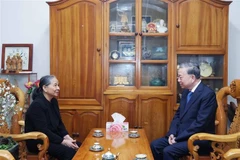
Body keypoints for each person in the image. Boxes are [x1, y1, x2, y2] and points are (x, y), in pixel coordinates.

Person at [150, 62, 217, 160]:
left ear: (192, 77)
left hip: (198, 138)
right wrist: (172, 134)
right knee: (155, 145)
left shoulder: (208, 95)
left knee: (168, 151)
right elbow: (178, 115)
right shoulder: (186, 91)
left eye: (180, 77)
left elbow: (200, 123)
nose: (178, 80)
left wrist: (178, 139)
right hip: (181, 136)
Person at [25, 75, 81, 160]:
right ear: (45, 88)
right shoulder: (37, 105)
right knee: (69, 152)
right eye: (55, 85)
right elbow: (43, 130)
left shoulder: (54, 101)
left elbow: (59, 123)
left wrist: (67, 137)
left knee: (80, 145)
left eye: (58, 85)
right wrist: (63, 142)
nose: (58, 88)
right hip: (40, 141)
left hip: (53, 137)